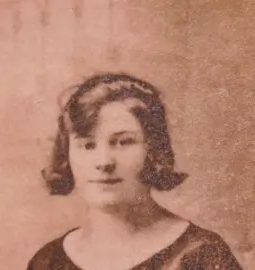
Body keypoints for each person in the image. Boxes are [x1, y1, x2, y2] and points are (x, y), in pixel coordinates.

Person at [27, 73, 241, 269]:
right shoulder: (48, 261)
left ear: (154, 150)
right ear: (67, 155)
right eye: (88, 145)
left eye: (123, 142)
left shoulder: (201, 255)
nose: (104, 162)